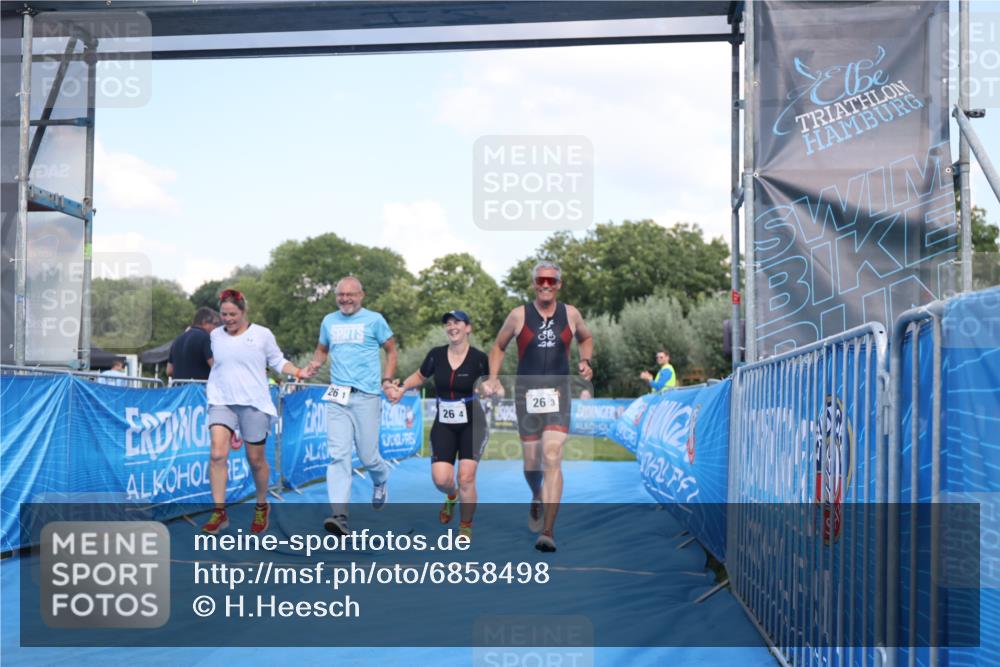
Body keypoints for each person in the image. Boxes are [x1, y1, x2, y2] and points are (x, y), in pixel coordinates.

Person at [483, 261, 593, 552]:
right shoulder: (518, 315)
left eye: (551, 281)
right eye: (540, 280)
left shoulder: (571, 314)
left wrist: (586, 360)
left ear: (559, 285)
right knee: (532, 463)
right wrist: (494, 379)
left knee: (552, 454)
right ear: (534, 284)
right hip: (526, 395)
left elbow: (587, 337)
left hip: (559, 394)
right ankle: (536, 494)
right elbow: (498, 346)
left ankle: (548, 530)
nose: (546, 285)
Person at [201, 289, 314, 535]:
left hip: (254, 402)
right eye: (224, 314)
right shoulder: (216, 336)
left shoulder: (262, 334)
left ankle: (262, 504)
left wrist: (298, 372)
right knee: (217, 455)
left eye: (233, 314)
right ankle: (219, 512)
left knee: (256, 460)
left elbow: (277, 361)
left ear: (243, 312)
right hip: (222, 401)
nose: (228, 319)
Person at [303, 276, 397, 536]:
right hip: (337, 396)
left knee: (368, 456)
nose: (345, 299)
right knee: (338, 455)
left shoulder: (375, 320)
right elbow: (322, 350)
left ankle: (381, 478)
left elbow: (391, 350)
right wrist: (315, 364)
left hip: (367, 396)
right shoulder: (329, 321)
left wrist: (386, 380)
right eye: (340, 295)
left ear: (361, 295)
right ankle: (339, 515)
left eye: (350, 294)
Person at [388, 310, 489, 541]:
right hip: (444, 422)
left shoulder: (480, 358)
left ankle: (465, 526)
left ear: (468, 328)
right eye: (449, 323)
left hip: (473, 423)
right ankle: (451, 497)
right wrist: (402, 387)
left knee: (466, 477)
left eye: (457, 323)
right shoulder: (436, 355)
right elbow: (420, 375)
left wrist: (493, 389)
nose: (452, 327)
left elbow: (492, 384)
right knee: (442, 479)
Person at [167, 307, 221, 381]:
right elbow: (215, 367)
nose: (215, 328)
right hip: (199, 390)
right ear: (204, 322)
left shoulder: (177, 339)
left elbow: (169, 371)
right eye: (215, 324)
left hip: (179, 390)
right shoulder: (205, 338)